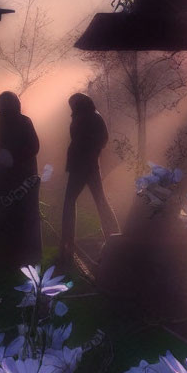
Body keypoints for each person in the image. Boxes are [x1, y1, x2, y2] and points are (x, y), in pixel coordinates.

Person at [60, 92, 118, 264]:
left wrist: (90, 152)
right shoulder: (89, 115)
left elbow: (101, 139)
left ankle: (67, 241)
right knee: (99, 201)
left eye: (72, 104)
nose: (70, 108)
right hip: (86, 163)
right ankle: (114, 236)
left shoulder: (90, 116)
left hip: (84, 164)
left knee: (71, 202)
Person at [0, 91, 42, 266]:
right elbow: (34, 147)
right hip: (23, 174)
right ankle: (26, 253)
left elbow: (4, 148)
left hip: (7, 175)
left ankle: (8, 251)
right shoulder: (23, 121)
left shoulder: (0, 121)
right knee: (25, 213)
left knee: (8, 213)